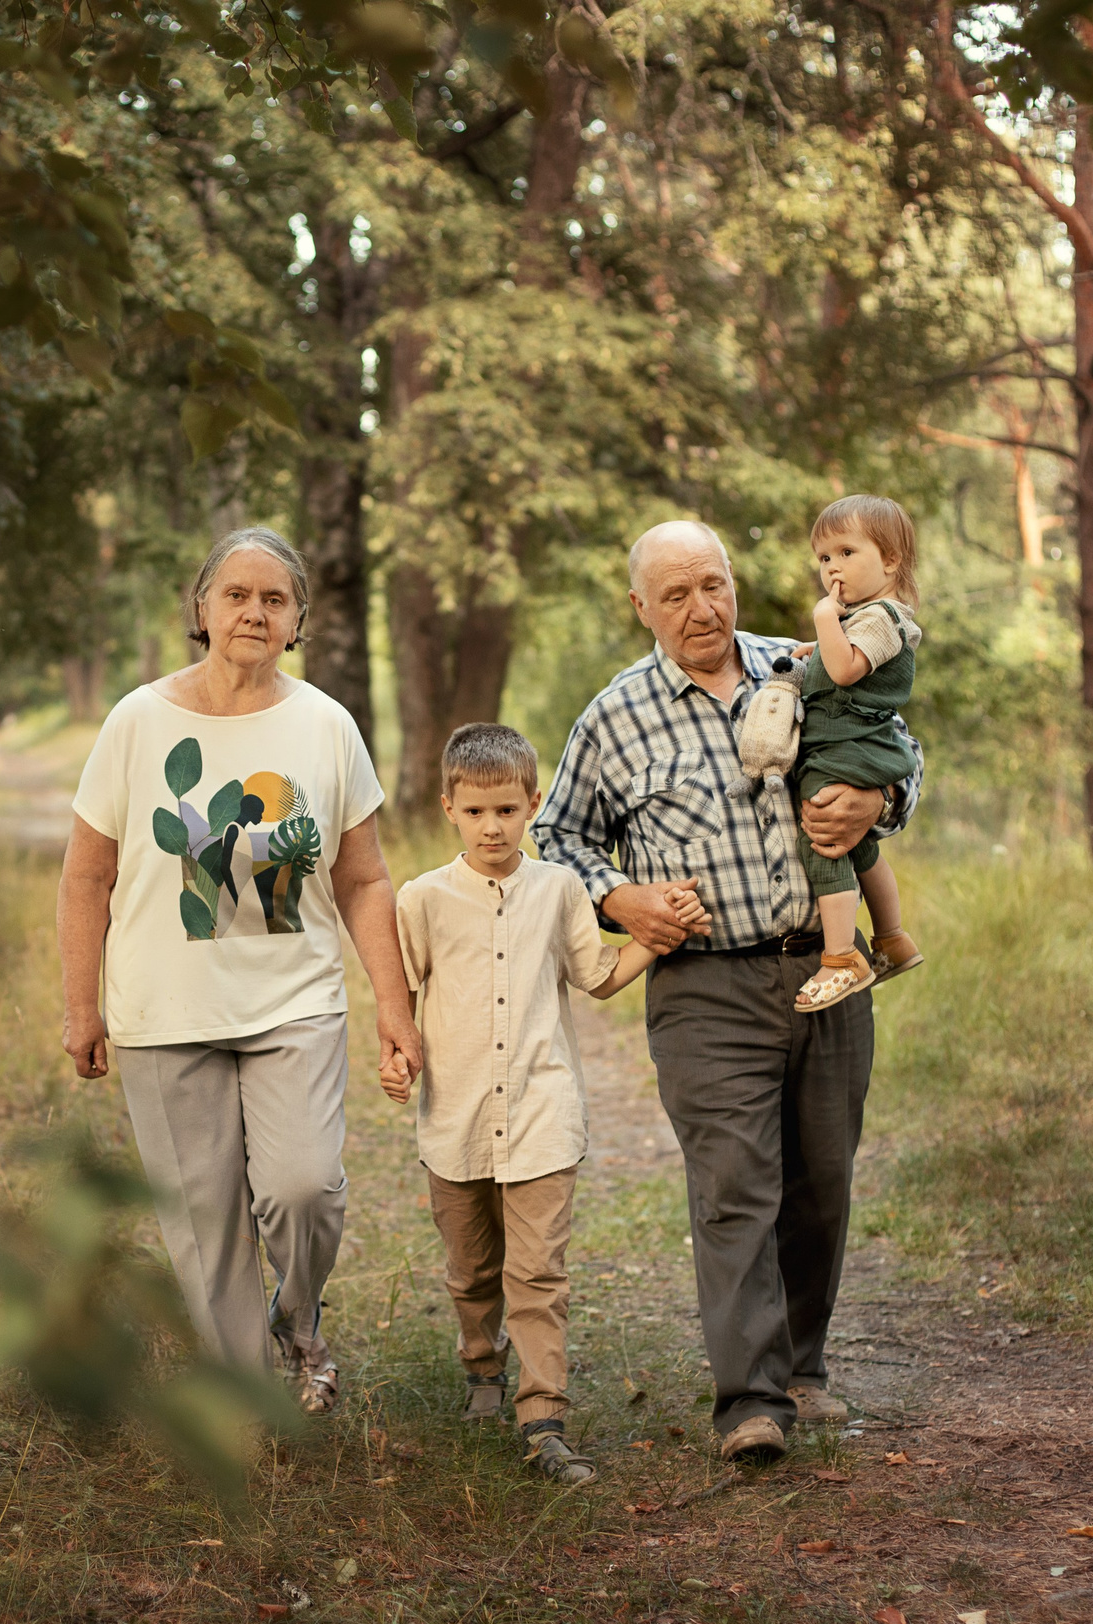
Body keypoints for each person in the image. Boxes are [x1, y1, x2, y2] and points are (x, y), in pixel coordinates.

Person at [534, 520, 921, 1461]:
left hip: (826, 966)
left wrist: (879, 801)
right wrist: (620, 896)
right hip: (704, 986)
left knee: (820, 1181)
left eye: (714, 584)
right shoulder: (615, 716)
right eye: (676, 594)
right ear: (641, 608)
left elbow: (901, 754)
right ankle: (751, 1399)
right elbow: (556, 838)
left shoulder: (806, 664)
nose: (702, 607)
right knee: (735, 1187)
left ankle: (804, 1366)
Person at [59, 525, 422, 1416]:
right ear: (202, 608)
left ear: (297, 620)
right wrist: (82, 1006)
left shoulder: (326, 724)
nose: (254, 612)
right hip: (162, 1013)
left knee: (304, 1187)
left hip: (292, 1003)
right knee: (206, 1227)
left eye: (274, 599)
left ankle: (298, 1325)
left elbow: (364, 875)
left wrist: (393, 1004)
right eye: (236, 594)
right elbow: (87, 873)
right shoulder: (138, 721)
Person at [378, 724, 701, 1485]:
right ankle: (482, 1368)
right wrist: (398, 1061)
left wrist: (661, 934)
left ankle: (543, 1416)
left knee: (539, 1272)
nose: (493, 827)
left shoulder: (559, 889)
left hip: (541, 1114)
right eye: (477, 811)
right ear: (449, 807)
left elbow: (598, 975)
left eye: (508, 810)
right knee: (471, 1268)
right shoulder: (420, 899)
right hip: (453, 1119)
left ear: (532, 804)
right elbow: (402, 997)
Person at [749, 495, 927, 1012]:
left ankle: (841, 957)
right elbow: (834, 663)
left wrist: (825, 618)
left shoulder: (881, 617)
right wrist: (814, 648)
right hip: (846, 748)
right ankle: (892, 937)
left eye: (846, 552)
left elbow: (847, 670)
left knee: (822, 840)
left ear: (890, 560)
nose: (832, 569)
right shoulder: (858, 620)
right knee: (856, 844)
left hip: (850, 752)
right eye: (824, 558)